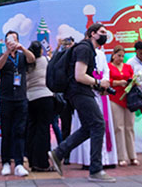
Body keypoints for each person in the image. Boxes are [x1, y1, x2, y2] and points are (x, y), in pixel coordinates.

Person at [48, 23, 116, 183]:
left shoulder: (85, 49)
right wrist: (99, 84)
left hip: (78, 92)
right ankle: (96, 169)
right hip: (80, 92)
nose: (105, 35)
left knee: (88, 127)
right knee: (98, 124)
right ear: (93, 33)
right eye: (102, 32)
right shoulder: (85, 49)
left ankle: (59, 152)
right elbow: (79, 76)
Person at [0, 31, 35, 177]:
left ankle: (19, 163)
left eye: (14, 39)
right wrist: (7, 51)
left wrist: (22, 48)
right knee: (6, 131)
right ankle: (6, 162)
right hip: (5, 99)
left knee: (19, 131)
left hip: (21, 99)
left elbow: (32, 59)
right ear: (5, 42)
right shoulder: (2, 56)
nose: (12, 42)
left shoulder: (22, 56)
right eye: (9, 40)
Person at [108, 45, 139, 167]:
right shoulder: (108, 66)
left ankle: (133, 156)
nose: (120, 58)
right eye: (118, 55)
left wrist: (134, 81)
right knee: (119, 127)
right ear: (113, 55)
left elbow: (133, 79)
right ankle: (121, 156)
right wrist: (117, 82)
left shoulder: (128, 67)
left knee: (129, 127)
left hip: (128, 99)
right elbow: (106, 80)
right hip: (115, 98)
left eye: (122, 56)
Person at [25, 41, 54, 172]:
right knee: (43, 130)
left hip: (30, 98)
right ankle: (42, 163)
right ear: (41, 51)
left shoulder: (26, 63)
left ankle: (31, 161)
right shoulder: (44, 60)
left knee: (32, 130)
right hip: (45, 96)